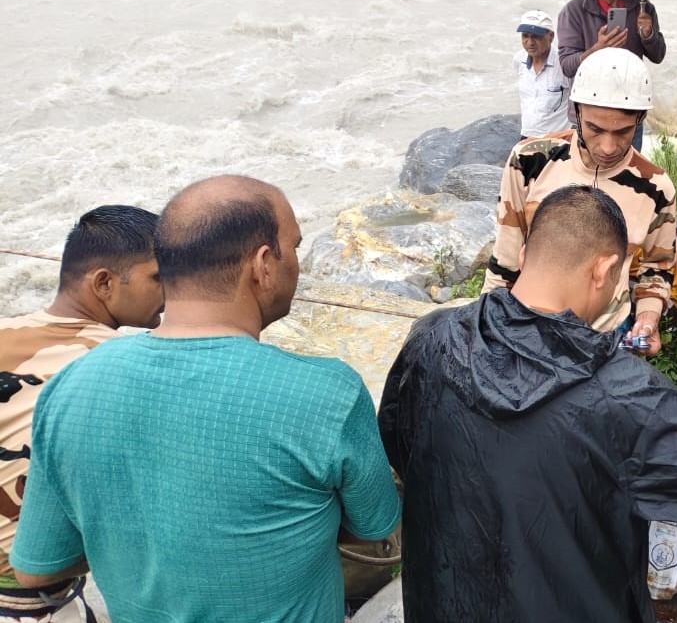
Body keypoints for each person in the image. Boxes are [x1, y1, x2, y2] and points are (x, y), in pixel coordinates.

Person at [10, 176, 401, 622]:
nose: (296, 262)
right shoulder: (327, 392)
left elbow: (36, 569)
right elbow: (375, 526)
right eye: (294, 247)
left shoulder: (70, 385)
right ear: (263, 265)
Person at [380, 184, 677, 623]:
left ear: (524, 254)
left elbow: (398, 442)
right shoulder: (626, 394)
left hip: (443, 601)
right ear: (604, 270)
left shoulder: (433, 337)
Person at [0, 206, 162, 619]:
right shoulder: (126, 363)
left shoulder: (5, 331)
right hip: (27, 600)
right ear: (104, 283)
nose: (173, 292)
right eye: (159, 277)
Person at [484, 47, 676, 353]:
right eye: (595, 129)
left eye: (623, 132)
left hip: (608, 333)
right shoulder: (531, 161)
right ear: (577, 111)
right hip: (531, 324)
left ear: (640, 118)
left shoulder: (655, 188)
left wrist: (647, 319)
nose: (608, 147)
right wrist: (489, 324)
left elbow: (657, 268)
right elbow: (506, 256)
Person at [558, 0, 666, 147]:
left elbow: (658, 55)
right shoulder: (574, 11)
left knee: (628, 169)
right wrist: (598, 49)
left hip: (630, 114)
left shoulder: (643, 8)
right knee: (586, 168)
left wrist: (648, 34)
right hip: (589, 117)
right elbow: (567, 66)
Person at [513, 9, 571, 138]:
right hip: (527, 136)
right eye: (525, 36)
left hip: (559, 139)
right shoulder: (519, 60)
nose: (529, 42)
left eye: (536, 36)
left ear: (551, 36)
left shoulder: (563, 63)